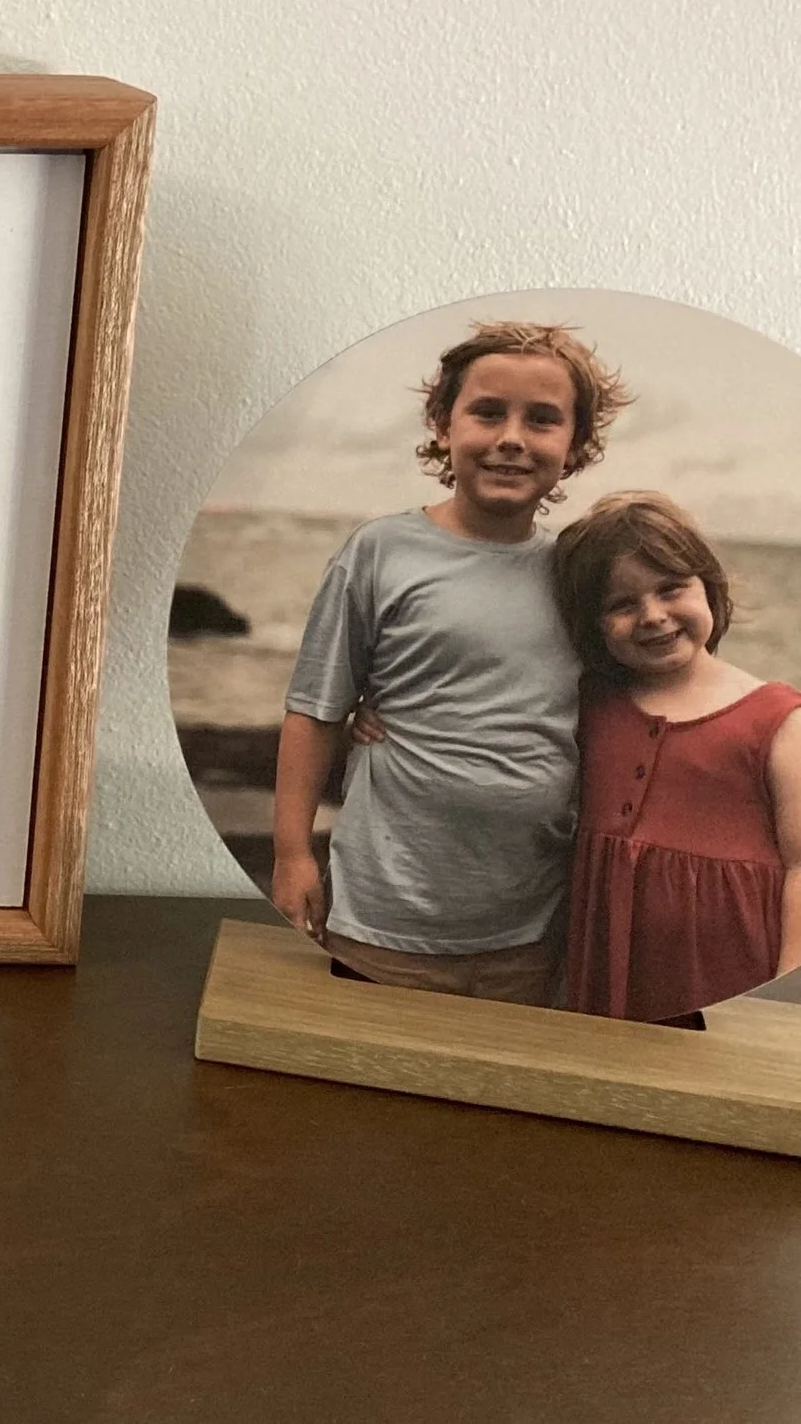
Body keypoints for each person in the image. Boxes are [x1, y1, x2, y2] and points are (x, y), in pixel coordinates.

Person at [271, 321, 630, 1006]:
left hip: (534, 924)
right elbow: (315, 709)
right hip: (387, 915)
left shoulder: (578, 572)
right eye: (488, 412)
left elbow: (625, 702)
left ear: (576, 447)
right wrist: (292, 853)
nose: (512, 438)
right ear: (442, 423)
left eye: (543, 420)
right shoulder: (379, 552)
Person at [549, 493, 801, 1025]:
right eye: (621, 605)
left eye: (671, 589)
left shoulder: (777, 718)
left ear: (708, 587)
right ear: (591, 625)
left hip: (735, 985)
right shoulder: (588, 704)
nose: (653, 616)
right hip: (607, 968)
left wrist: (782, 1004)